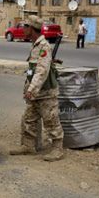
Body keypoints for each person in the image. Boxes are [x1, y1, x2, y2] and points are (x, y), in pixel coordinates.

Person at [10, 17, 64, 161]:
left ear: (32, 28)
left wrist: (31, 90)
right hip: (35, 93)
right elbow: (33, 69)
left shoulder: (43, 46)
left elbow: (41, 71)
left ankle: (57, 149)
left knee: (51, 120)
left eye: (25, 26)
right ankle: (28, 146)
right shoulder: (35, 45)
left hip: (45, 93)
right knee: (29, 119)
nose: (22, 29)